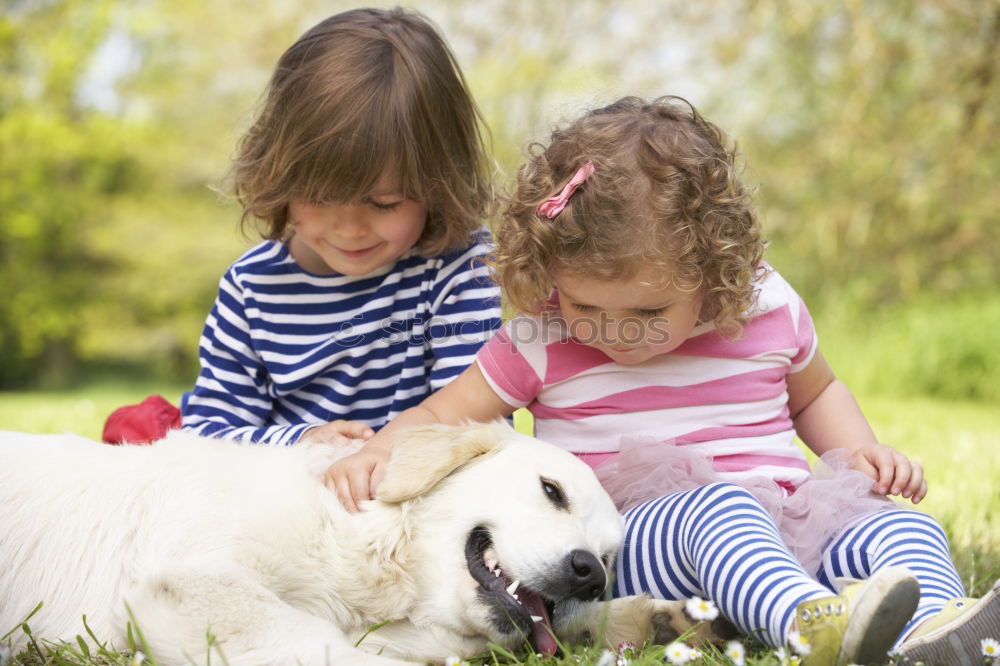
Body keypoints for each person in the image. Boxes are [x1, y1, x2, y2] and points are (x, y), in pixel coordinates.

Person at [326, 96, 997, 665]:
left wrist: (858, 457)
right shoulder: (540, 336)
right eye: (588, 307)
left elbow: (816, 392)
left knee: (892, 525)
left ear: (713, 272)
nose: (616, 331)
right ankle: (805, 625)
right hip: (635, 539)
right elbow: (449, 414)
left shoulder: (766, 309)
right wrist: (385, 446)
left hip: (792, 514)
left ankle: (935, 630)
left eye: (648, 313)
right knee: (721, 512)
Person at [176, 7, 501, 445]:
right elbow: (206, 437)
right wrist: (301, 445)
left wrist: (379, 459)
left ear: (438, 181)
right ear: (281, 174)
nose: (350, 230)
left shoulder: (457, 268)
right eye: (322, 198)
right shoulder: (251, 287)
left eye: (384, 203)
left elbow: (473, 426)